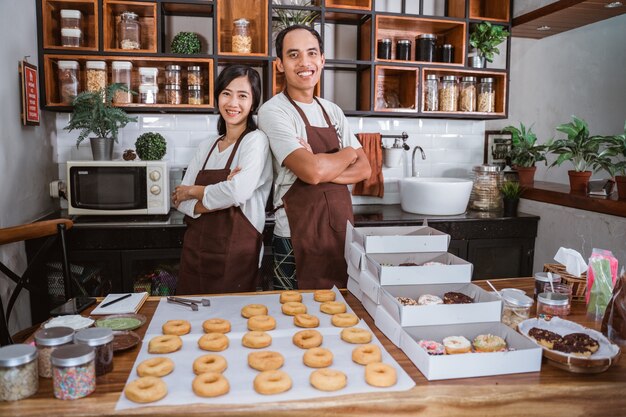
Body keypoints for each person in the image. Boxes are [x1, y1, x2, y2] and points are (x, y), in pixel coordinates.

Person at [258, 25, 371, 291]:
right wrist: (348, 153)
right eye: (293, 55)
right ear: (280, 64)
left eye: (311, 53)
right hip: (296, 236)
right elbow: (311, 173)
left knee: (342, 316)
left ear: (322, 59)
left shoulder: (332, 110)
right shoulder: (274, 112)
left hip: (340, 235)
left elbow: (365, 169)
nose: (304, 62)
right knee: (293, 318)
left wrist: (322, 164)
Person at [173, 64, 272, 294]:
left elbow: (238, 193)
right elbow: (180, 200)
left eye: (242, 96)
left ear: (253, 102)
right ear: (218, 97)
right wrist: (222, 193)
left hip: (236, 256)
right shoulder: (206, 146)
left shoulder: (255, 141)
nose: (233, 103)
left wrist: (195, 191)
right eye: (226, 93)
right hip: (196, 253)